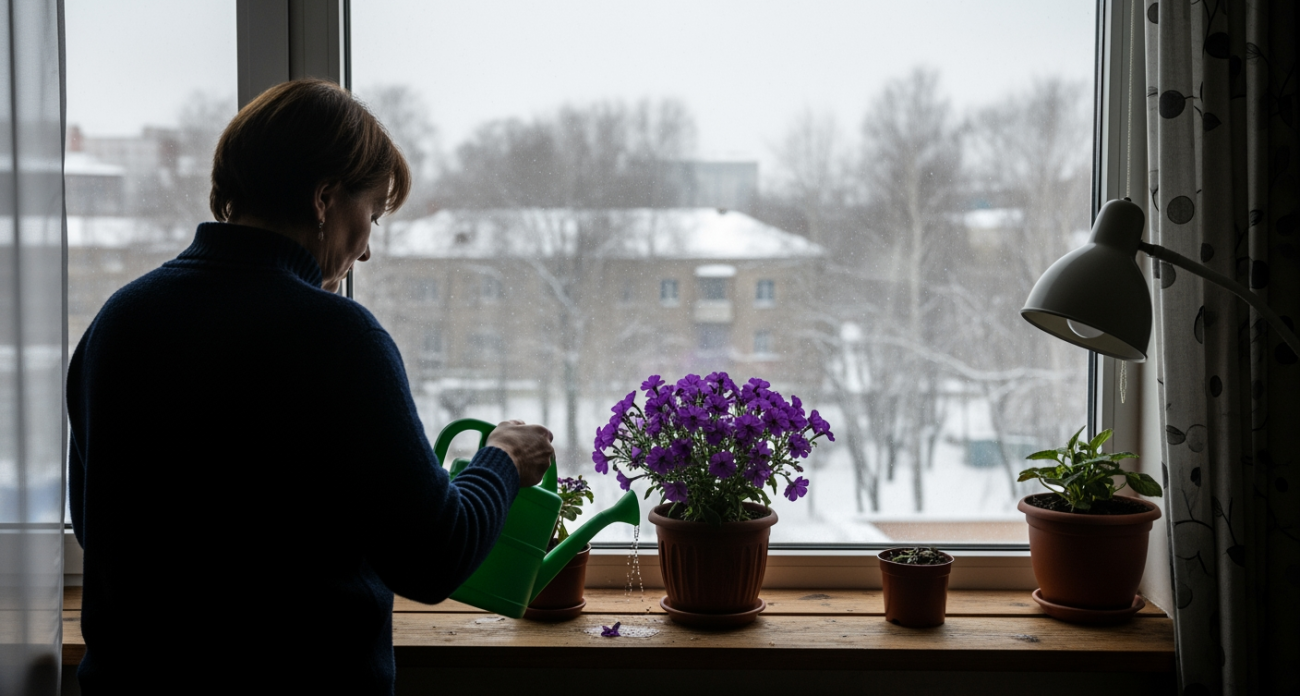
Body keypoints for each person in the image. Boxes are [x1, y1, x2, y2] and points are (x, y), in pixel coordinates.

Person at [66, 79, 554, 694]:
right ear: (324, 199)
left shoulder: (121, 321)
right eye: (371, 214)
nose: (368, 248)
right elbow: (434, 559)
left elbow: (95, 525)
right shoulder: (339, 339)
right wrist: (504, 459)